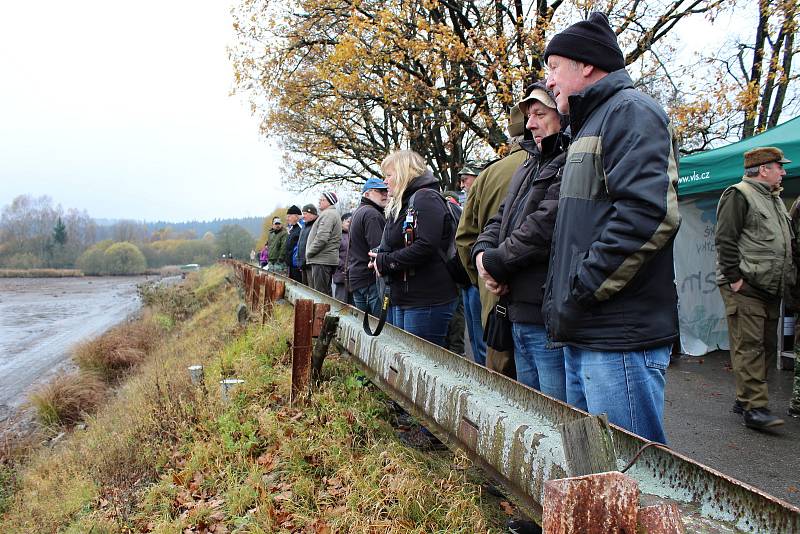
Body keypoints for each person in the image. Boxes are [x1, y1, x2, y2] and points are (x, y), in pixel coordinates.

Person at [542, 12, 681, 444]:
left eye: (553, 67)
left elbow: (649, 214)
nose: (548, 81)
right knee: (596, 474)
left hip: (617, 336)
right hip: (588, 328)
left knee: (629, 473)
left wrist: (582, 286)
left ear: (586, 64)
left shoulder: (630, 112)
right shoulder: (589, 127)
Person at [472, 82, 568, 400]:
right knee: (531, 416)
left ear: (561, 115)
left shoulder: (568, 161)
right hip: (518, 313)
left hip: (545, 318)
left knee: (555, 418)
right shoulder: (529, 164)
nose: (529, 123)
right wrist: (482, 255)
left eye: (539, 113)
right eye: (528, 116)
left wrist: (494, 264)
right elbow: (498, 220)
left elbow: (542, 228)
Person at [716, 147, 793, 430]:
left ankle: (744, 398)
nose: (783, 172)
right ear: (764, 169)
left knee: (766, 346)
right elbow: (725, 238)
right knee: (750, 346)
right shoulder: (739, 194)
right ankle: (755, 408)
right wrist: (735, 278)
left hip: (769, 288)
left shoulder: (776, 201)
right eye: (779, 167)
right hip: (745, 286)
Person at [456, 106, 527, 379]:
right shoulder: (561, 161)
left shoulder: (488, 175)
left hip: (495, 297)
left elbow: (464, 238)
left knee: (501, 381)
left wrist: (482, 279)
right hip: (543, 302)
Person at [368, 150, 458, 348]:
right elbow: (402, 243)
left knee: (421, 366)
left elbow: (426, 245)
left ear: (403, 174)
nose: (385, 181)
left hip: (426, 299)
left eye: (388, 175)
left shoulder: (425, 199)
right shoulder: (403, 203)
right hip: (405, 297)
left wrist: (386, 261)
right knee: (405, 360)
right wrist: (379, 257)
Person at [455, 161, 489, 365]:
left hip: (478, 276)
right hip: (468, 279)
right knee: (475, 338)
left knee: (482, 338)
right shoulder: (468, 202)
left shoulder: (483, 200)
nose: (462, 185)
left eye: (465, 179)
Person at [348, 178, 389, 317]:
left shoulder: (359, 211)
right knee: (380, 330)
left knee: (364, 328)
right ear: (367, 194)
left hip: (358, 277)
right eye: (380, 191)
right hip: (369, 280)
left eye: (386, 190)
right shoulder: (372, 214)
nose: (385, 194)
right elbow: (378, 249)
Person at [305, 191, 342, 296]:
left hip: (322, 260)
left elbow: (322, 238)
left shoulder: (328, 214)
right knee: (325, 292)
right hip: (323, 259)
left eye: (322, 200)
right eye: (319, 199)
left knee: (321, 295)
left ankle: (324, 313)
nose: (319, 202)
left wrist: (309, 253)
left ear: (330, 202)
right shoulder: (328, 214)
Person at [332, 212, 352, 303]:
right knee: (341, 302)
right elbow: (333, 253)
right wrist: (343, 265)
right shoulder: (337, 235)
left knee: (353, 305)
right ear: (342, 222)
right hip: (341, 273)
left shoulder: (354, 234)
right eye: (348, 221)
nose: (350, 224)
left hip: (353, 275)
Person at [297, 204, 318, 285]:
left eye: (305, 214)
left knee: (311, 289)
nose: (303, 216)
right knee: (305, 290)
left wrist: (308, 257)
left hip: (310, 263)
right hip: (303, 263)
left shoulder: (316, 225)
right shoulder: (304, 226)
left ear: (312, 214)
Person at [284, 205, 304, 282]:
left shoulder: (302, 227)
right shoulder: (292, 228)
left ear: (296, 216)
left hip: (298, 266)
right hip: (291, 265)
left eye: (289, 216)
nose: (287, 219)